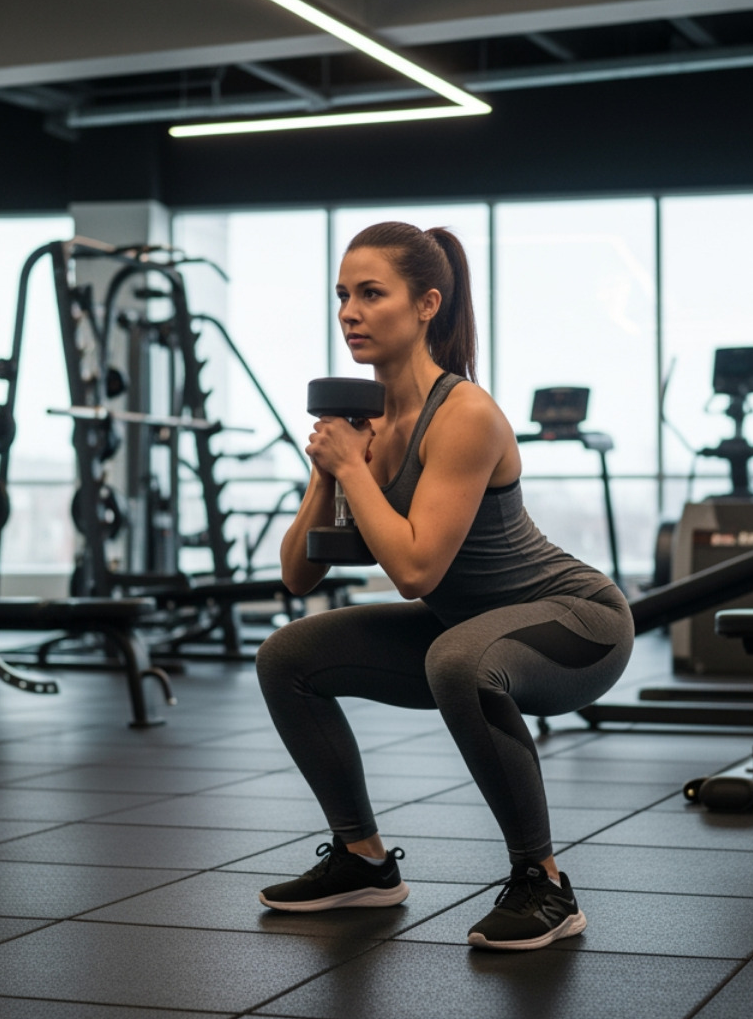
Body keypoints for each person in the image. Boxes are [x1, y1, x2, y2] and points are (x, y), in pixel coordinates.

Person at [253, 221, 635, 952]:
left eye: (371, 294)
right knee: (286, 657)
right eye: (342, 296)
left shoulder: (464, 415)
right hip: (464, 628)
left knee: (459, 659)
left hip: (576, 624)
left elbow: (416, 573)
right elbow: (298, 574)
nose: (349, 313)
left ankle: (545, 884)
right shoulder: (361, 420)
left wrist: (356, 471)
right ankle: (361, 861)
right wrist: (330, 467)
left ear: (426, 304)